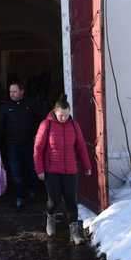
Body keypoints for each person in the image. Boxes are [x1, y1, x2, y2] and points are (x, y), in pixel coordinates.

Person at [33, 95, 92, 245]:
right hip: (52, 170)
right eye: (61, 115)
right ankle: (50, 216)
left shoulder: (74, 125)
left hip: (70, 170)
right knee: (54, 200)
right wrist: (39, 169)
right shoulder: (46, 125)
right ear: (55, 111)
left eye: (66, 115)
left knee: (71, 200)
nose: (64, 118)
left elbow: (81, 147)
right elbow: (38, 148)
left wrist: (87, 165)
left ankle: (74, 232)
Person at [0, 81, 38, 210]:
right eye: (10, 92)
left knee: (31, 168)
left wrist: (37, 136)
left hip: (29, 144)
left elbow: (37, 122)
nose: (12, 94)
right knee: (16, 171)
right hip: (12, 145)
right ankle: (19, 197)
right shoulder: (5, 107)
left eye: (14, 91)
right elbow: (0, 127)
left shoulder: (30, 105)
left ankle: (32, 190)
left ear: (22, 92)